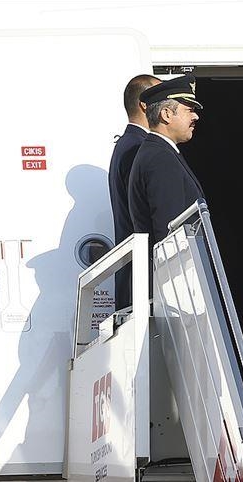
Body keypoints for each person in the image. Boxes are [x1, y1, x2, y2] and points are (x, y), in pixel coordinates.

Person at [128, 74, 205, 252]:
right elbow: (169, 234)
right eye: (189, 110)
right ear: (166, 114)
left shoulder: (159, 152)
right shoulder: (160, 159)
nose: (195, 116)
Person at [108, 74, 160, 310]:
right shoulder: (137, 147)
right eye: (162, 97)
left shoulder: (129, 143)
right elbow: (142, 213)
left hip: (134, 274)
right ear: (145, 105)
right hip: (140, 277)